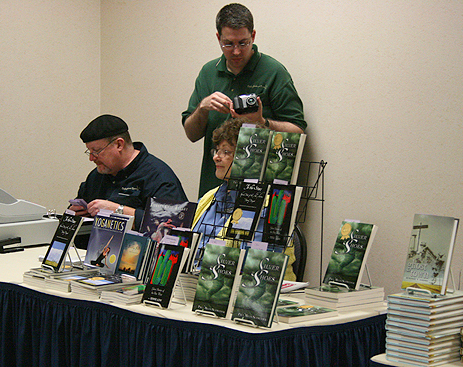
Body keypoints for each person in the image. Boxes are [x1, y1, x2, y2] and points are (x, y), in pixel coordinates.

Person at [182, 3, 307, 197]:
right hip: (214, 187)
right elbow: (191, 134)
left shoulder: (273, 72)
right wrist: (203, 107)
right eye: (229, 44)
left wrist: (261, 122)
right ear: (218, 38)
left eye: (243, 43)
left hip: (258, 189)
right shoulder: (208, 73)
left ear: (253, 36)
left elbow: (298, 132)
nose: (237, 51)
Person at [191, 117, 296, 281]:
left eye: (226, 152)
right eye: (217, 150)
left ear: (250, 157)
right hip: (195, 283)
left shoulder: (268, 206)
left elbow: (257, 268)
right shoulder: (209, 198)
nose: (216, 157)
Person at [70, 114, 188, 234]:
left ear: (119, 145)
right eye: (89, 152)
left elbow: (174, 227)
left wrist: (119, 211)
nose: (91, 158)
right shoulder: (97, 176)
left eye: (96, 151)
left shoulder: (158, 176)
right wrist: (75, 213)